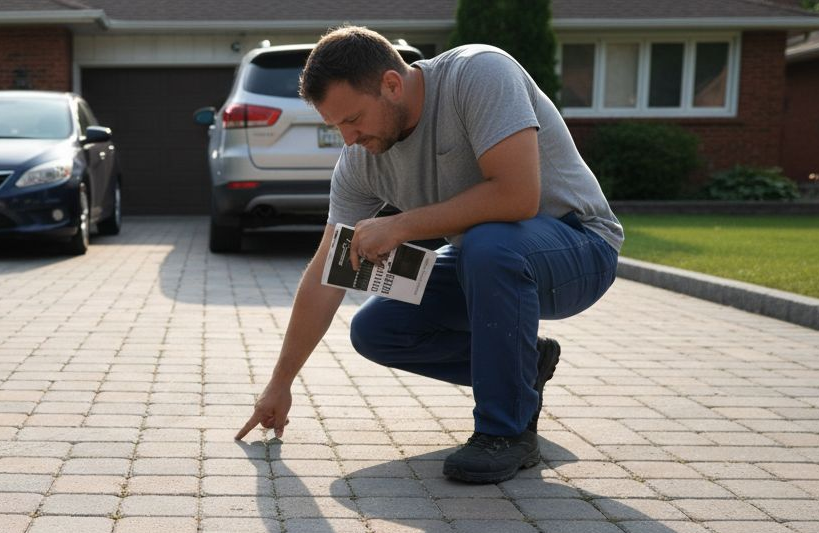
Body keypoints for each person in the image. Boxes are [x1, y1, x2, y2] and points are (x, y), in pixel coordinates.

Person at [235, 26, 623, 483]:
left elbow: (518, 197)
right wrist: (281, 382)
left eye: (353, 119)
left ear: (391, 84)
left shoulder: (478, 74)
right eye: (336, 125)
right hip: (491, 260)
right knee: (378, 328)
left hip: (579, 247)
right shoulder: (361, 160)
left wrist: (400, 225)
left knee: (487, 244)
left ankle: (506, 432)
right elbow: (327, 270)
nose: (347, 138)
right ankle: (524, 366)